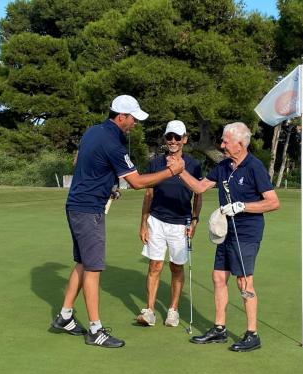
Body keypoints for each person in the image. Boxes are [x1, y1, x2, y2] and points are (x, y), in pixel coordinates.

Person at [51, 95, 185, 348]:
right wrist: (171, 172)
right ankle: (95, 330)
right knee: (93, 268)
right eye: (133, 118)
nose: (135, 123)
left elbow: (83, 161)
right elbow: (136, 182)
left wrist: (107, 184)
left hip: (77, 205)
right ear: (121, 117)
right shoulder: (113, 143)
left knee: (82, 262)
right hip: (89, 210)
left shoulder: (94, 131)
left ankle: (65, 316)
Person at [178, 122, 279, 352]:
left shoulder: (255, 167)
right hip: (226, 232)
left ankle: (252, 334)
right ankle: (219, 328)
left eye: (225, 141)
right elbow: (200, 188)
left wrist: (242, 206)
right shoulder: (223, 166)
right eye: (222, 141)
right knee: (217, 277)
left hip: (246, 232)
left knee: (244, 282)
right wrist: (179, 171)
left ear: (240, 144)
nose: (221, 145)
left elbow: (273, 202)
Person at [137, 120, 202, 327]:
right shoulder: (156, 163)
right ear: (166, 139)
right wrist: (143, 223)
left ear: (184, 139)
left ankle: (173, 310)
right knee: (155, 265)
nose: (173, 141)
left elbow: (198, 194)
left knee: (176, 267)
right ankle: (150, 310)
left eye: (177, 137)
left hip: (180, 223)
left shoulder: (193, 164)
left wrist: (195, 219)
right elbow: (148, 194)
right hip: (156, 220)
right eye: (169, 137)